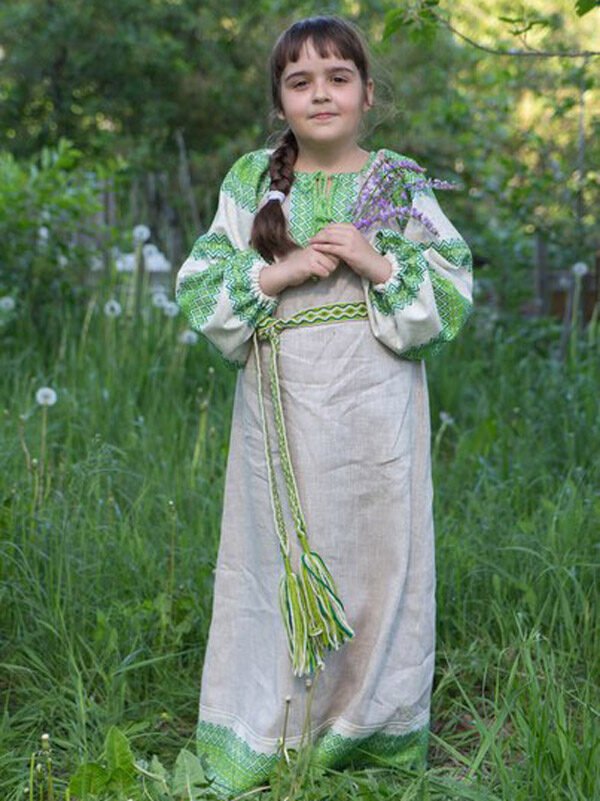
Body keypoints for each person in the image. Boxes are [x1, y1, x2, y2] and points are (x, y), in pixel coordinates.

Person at [176, 15, 473, 799]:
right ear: (281, 101)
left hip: (376, 404)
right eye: (300, 80)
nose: (321, 92)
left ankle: (371, 727)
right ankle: (273, 726)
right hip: (282, 402)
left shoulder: (398, 181)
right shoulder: (250, 179)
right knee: (277, 556)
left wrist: (378, 262)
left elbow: (452, 286)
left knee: (381, 559)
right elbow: (202, 283)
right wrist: (279, 273)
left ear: (368, 93)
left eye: (338, 77)